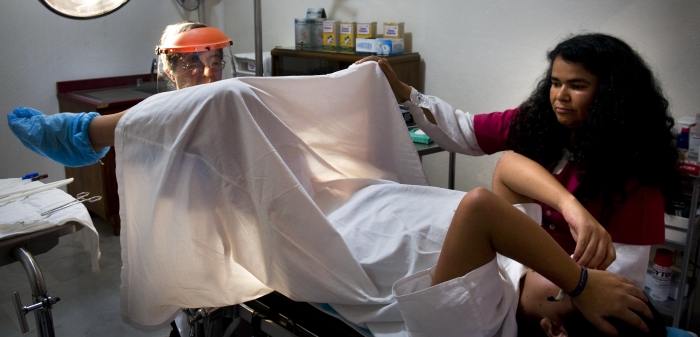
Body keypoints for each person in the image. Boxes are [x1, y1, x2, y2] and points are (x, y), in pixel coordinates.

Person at [6, 61, 667, 336]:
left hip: (314, 228)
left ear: (551, 326)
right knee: (359, 79)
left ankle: (90, 135)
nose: (557, 275)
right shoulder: (522, 270)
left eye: (559, 295)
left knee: (229, 104)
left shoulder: (477, 321)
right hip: (361, 187)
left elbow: (480, 207)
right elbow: (508, 172)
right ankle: (95, 135)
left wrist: (580, 280)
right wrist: (577, 220)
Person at [357, 33, 680, 287]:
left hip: (567, 282)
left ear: (611, 94)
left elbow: (624, 278)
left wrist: (563, 289)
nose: (560, 96)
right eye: (555, 83)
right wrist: (404, 92)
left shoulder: (634, 171)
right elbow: (464, 131)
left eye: (577, 86)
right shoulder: (538, 123)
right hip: (515, 262)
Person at [6, 21, 233, 167]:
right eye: (191, 63)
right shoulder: (164, 113)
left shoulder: (235, 103)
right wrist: (41, 129)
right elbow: (84, 132)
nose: (206, 73)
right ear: (169, 71)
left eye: (214, 62)